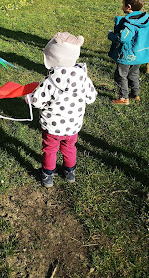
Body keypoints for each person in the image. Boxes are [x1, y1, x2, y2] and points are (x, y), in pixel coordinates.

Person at [27, 32, 97, 188]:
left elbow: (38, 101)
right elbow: (91, 97)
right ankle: (69, 172)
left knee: (50, 150)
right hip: (72, 126)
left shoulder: (51, 80)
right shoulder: (83, 77)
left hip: (52, 126)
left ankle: (47, 176)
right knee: (70, 147)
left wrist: (29, 98)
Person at [108, 0, 149, 105]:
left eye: (122, 3)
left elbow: (124, 38)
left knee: (120, 75)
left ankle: (123, 98)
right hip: (139, 54)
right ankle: (135, 94)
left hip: (127, 54)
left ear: (128, 7)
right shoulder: (146, 20)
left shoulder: (130, 23)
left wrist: (111, 35)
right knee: (133, 74)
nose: (121, 6)